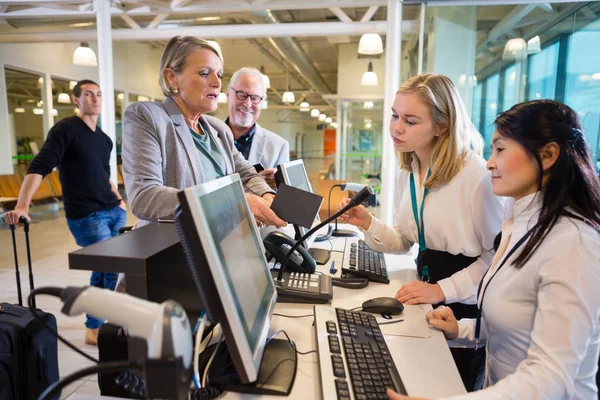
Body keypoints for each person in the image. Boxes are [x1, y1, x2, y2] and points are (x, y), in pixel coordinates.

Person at [388, 100, 600, 400]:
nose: (489, 163)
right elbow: (516, 324)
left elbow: (552, 377)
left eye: (500, 149)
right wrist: (459, 329)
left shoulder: (573, 243)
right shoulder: (520, 221)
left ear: (548, 155)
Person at [339, 74, 504, 390]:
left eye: (410, 121)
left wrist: (443, 290)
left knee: (444, 388)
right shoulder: (409, 170)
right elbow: (404, 240)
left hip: (463, 305)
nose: (396, 127)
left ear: (442, 126)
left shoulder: (476, 178)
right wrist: (368, 223)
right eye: (395, 115)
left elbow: (497, 260)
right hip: (426, 293)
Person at [3, 79, 126, 346]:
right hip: (87, 216)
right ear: (76, 100)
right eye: (88, 94)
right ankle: (96, 325)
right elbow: (40, 166)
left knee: (105, 270)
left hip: (113, 211)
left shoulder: (103, 139)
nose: (95, 99)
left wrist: (118, 199)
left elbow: (103, 175)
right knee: (111, 269)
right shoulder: (66, 129)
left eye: (99, 94)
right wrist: (22, 206)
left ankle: (97, 325)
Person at [122, 36, 285, 228]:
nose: (217, 83)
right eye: (205, 73)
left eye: (219, 74)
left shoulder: (218, 129)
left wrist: (267, 195)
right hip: (174, 246)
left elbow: (246, 174)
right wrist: (233, 202)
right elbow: (145, 197)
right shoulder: (147, 117)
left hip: (222, 238)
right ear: (172, 77)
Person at [225, 67, 290, 184]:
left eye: (255, 98)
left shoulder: (279, 147)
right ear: (228, 94)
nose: (247, 104)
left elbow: (286, 197)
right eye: (241, 94)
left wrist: (276, 185)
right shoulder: (208, 135)